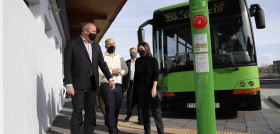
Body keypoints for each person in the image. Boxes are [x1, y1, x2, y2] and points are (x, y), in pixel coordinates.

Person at [64, 22, 115, 134]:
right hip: (77, 85)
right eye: (93, 32)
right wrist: (68, 84)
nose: (95, 34)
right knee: (77, 113)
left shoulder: (96, 46)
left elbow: (102, 64)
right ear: (85, 31)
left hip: (92, 86)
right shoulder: (72, 43)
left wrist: (110, 78)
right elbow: (67, 65)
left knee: (90, 114)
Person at [133, 42, 164, 134]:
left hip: (151, 89)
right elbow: (136, 76)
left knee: (156, 112)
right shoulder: (137, 61)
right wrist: (135, 91)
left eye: (142, 48)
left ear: (147, 49)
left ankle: (161, 132)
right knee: (145, 112)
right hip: (141, 90)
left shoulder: (153, 60)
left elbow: (156, 75)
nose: (140, 50)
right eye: (139, 49)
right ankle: (147, 131)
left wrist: (154, 88)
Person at [99, 38, 128, 134]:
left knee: (116, 108)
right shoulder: (102, 57)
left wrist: (121, 72)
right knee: (110, 108)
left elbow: (126, 69)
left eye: (113, 43)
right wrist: (111, 72)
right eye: (109, 44)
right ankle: (112, 130)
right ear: (105, 46)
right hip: (106, 85)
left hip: (118, 86)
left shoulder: (120, 57)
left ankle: (114, 126)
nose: (112, 45)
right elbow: (98, 71)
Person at [122, 47, 143, 124]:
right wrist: (124, 87)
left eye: (134, 52)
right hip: (130, 84)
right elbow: (124, 76)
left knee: (140, 101)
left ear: (137, 53)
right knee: (129, 101)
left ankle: (140, 118)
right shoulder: (127, 62)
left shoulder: (140, 61)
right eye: (131, 52)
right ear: (129, 53)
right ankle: (129, 115)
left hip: (139, 84)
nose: (133, 53)